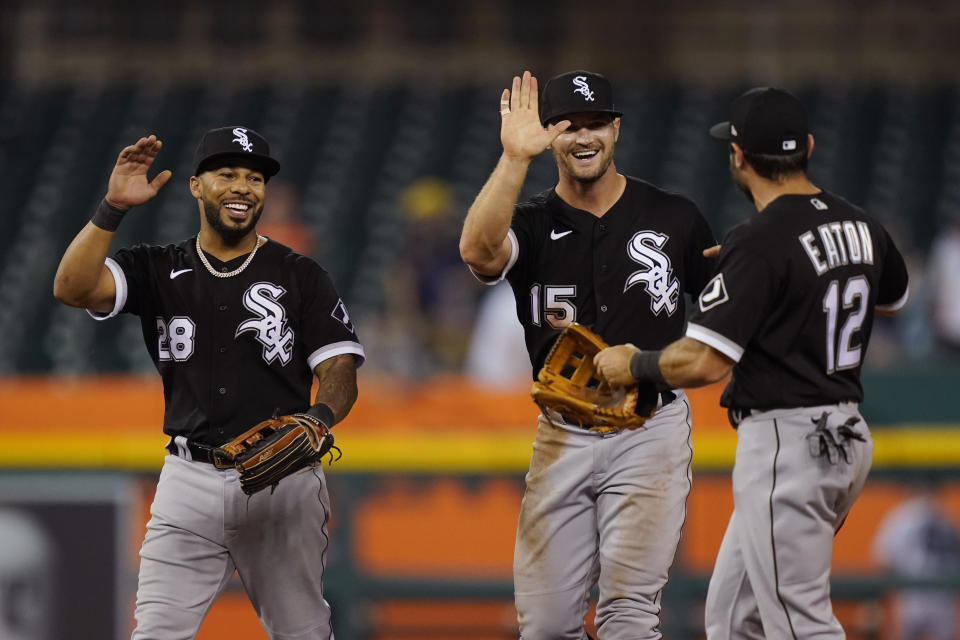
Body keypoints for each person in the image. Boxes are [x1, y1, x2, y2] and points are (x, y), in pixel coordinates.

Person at [594, 87, 911, 639]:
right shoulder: (862, 224)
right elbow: (890, 297)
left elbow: (704, 362)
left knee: (798, 626)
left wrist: (632, 365)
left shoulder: (760, 239)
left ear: (738, 157)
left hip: (790, 441)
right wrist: (764, 280)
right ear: (807, 147)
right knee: (736, 618)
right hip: (845, 437)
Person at [53, 127, 364, 639]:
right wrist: (112, 207)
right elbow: (72, 286)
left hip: (281, 479)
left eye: (254, 178)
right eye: (227, 174)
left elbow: (339, 369)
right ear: (196, 186)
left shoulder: (301, 274)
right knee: (155, 633)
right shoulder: (156, 266)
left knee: (303, 632)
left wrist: (319, 417)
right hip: (187, 478)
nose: (243, 186)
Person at [459, 70, 717, 639]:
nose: (583, 136)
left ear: (616, 128)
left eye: (595, 123)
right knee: (547, 626)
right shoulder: (527, 221)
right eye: (567, 125)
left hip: (649, 427)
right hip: (562, 431)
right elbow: (478, 252)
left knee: (628, 614)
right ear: (548, 135)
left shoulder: (673, 216)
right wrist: (512, 159)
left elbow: (726, 312)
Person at [873, 479, 960, 640]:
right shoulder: (947, 517)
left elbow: (884, 563)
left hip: (911, 601)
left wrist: (887, 610)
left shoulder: (901, 516)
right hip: (940, 602)